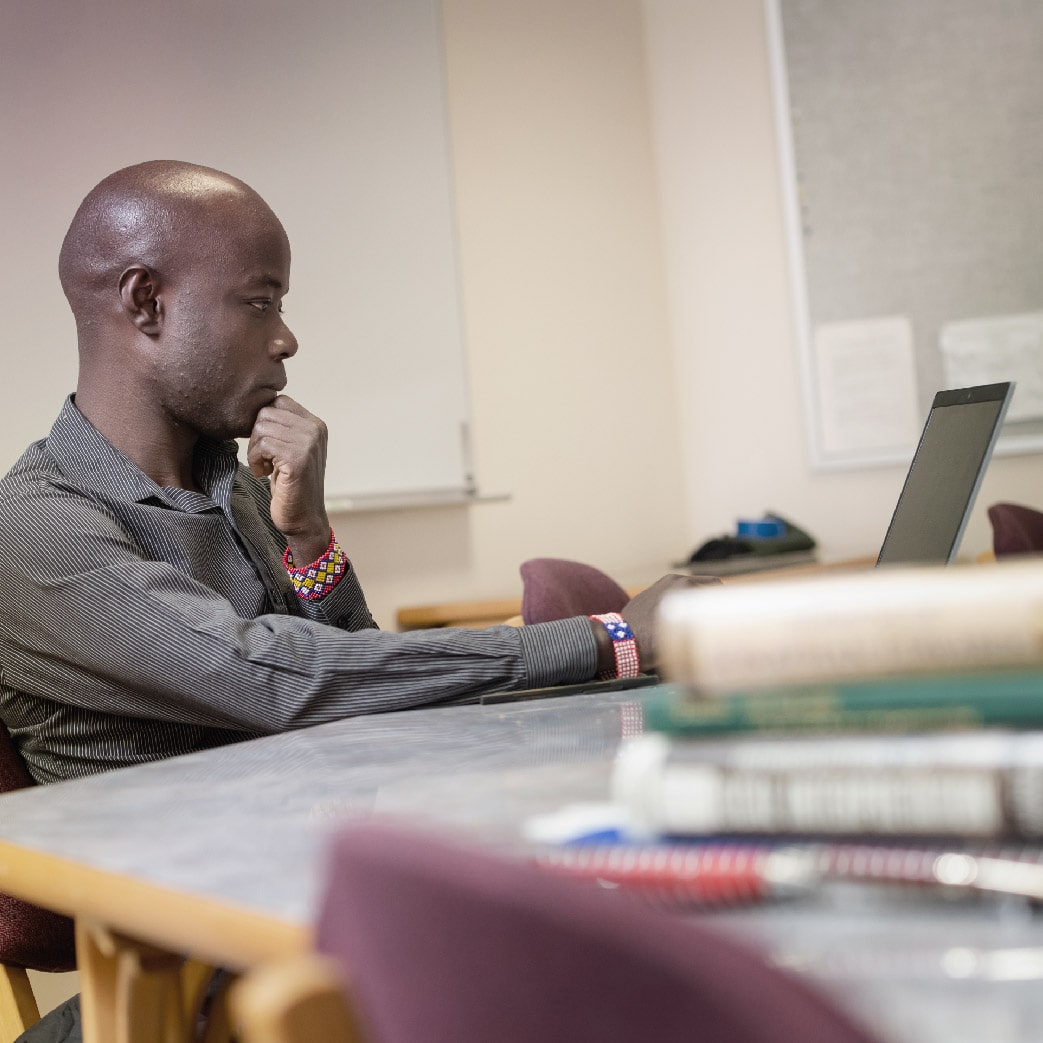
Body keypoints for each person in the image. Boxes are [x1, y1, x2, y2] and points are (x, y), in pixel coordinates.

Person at [0, 160, 703, 786]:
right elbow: (272, 676)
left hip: (315, 829)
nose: (285, 337)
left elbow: (356, 665)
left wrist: (308, 539)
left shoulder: (229, 483)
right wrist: (609, 637)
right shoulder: (34, 527)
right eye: (259, 302)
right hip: (174, 908)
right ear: (146, 301)